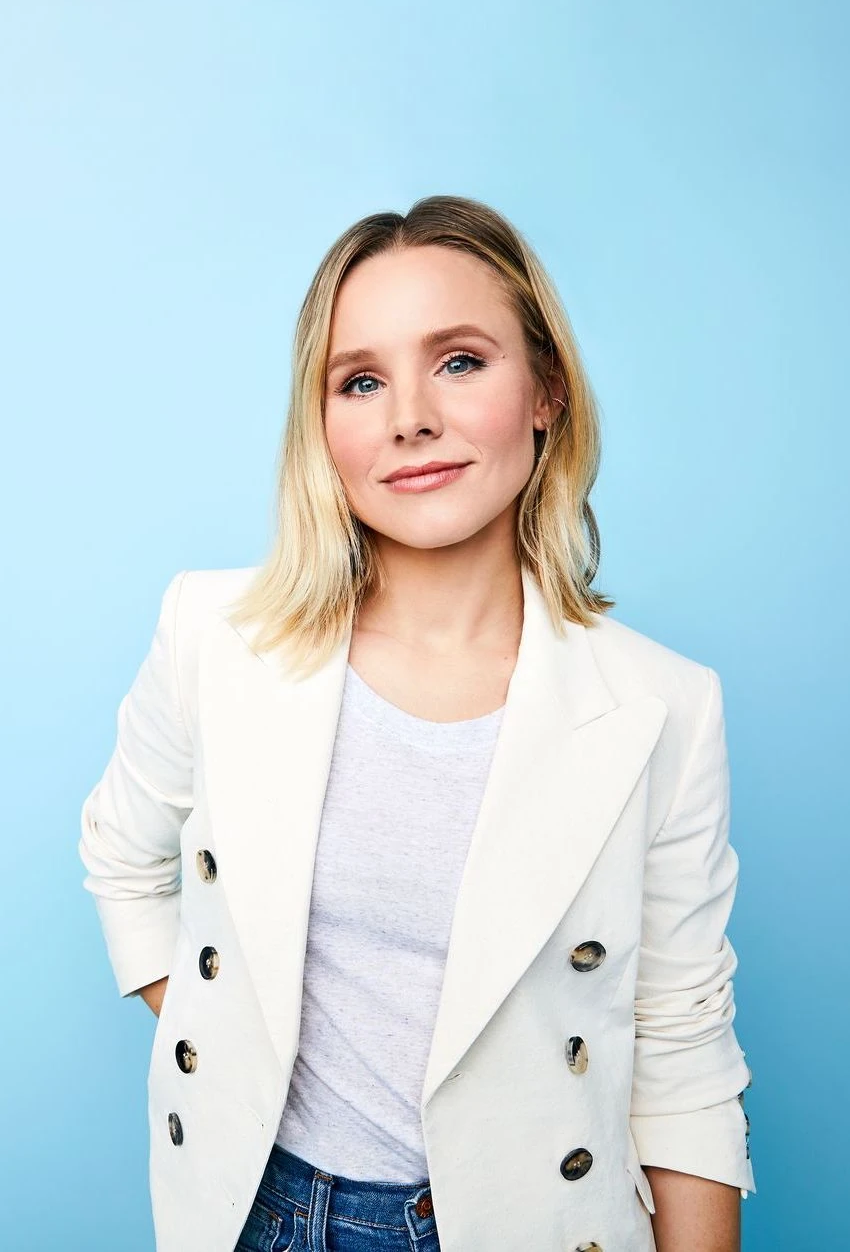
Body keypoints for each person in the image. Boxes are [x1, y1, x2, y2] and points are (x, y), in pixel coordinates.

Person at [79, 194, 755, 1252]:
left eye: (459, 362)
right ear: (321, 427)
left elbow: (682, 1048)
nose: (409, 418)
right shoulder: (214, 633)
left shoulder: (662, 705)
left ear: (547, 391)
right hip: (259, 1212)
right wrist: (241, 1050)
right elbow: (123, 859)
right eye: (360, 381)